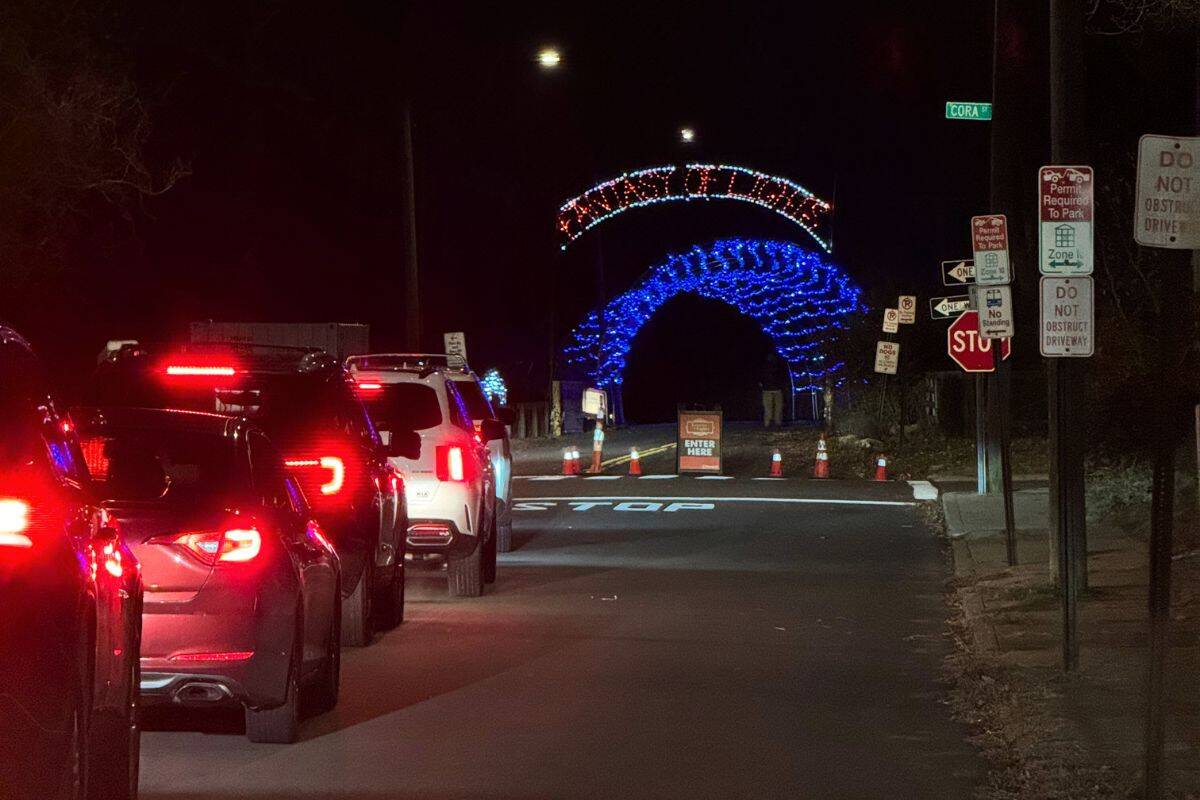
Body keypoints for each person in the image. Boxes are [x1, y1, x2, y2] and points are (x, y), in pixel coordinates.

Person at [760, 352, 787, 427]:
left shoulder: (764, 366)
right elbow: (783, 376)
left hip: (768, 389)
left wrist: (762, 383)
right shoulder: (779, 365)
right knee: (778, 407)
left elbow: (761, 376)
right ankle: (777, 422)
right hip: (776, 388)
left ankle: (767, 423)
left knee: (768, 407)